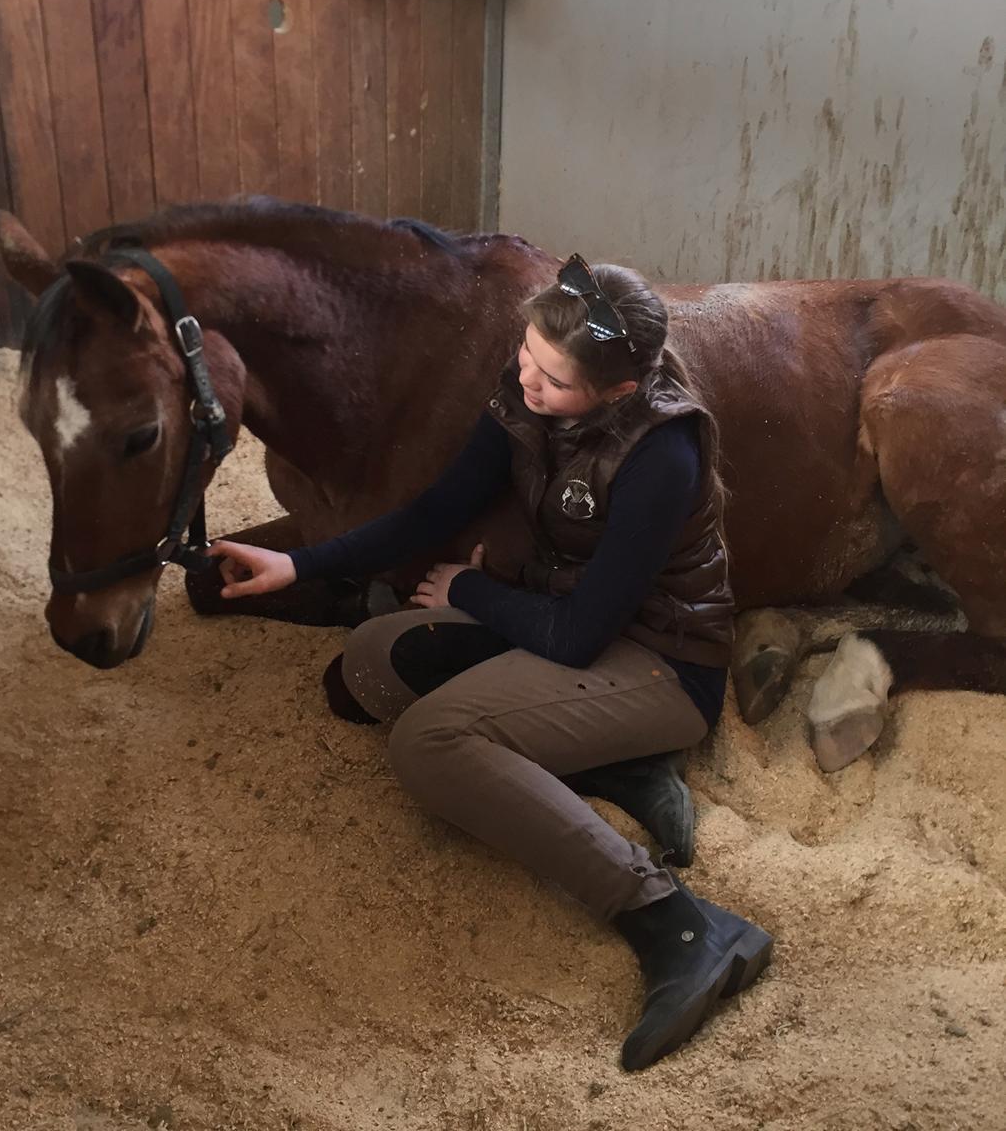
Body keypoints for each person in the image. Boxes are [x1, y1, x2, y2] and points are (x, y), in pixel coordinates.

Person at [209, 255, 772, 1070]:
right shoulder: (526, 398)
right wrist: (301, 566)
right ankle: (616, 767)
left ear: (615, 391)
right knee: (370, 661)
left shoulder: (663, 452)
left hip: (660, 666)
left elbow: (578, 638)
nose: (527, 382)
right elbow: (439, 506)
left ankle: (681, 924)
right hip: (570, 623)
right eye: (525, 358)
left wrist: (471, 588)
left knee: (428, 744)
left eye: (552, 378)